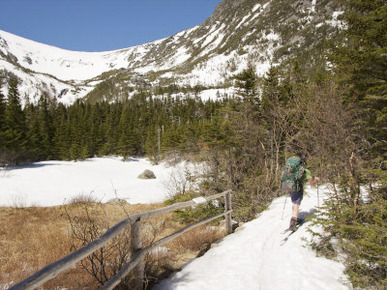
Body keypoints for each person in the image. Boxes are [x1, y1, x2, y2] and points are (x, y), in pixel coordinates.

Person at [287, 157, 320, 231]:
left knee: (294, 202)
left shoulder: (292, 170)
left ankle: (295, 217)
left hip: (288, 186)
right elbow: (312, 183)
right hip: (297, 188)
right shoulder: (306, 171)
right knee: (296, 203)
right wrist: (316, 180)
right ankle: (293, 221)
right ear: (304, 163)